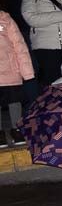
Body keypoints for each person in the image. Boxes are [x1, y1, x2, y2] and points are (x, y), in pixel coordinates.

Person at [0, 9, 34, 147]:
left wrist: (27, 72)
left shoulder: (5, 18)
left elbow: (19, 45)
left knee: (14, 101)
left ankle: (16, 129)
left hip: (10, 70)